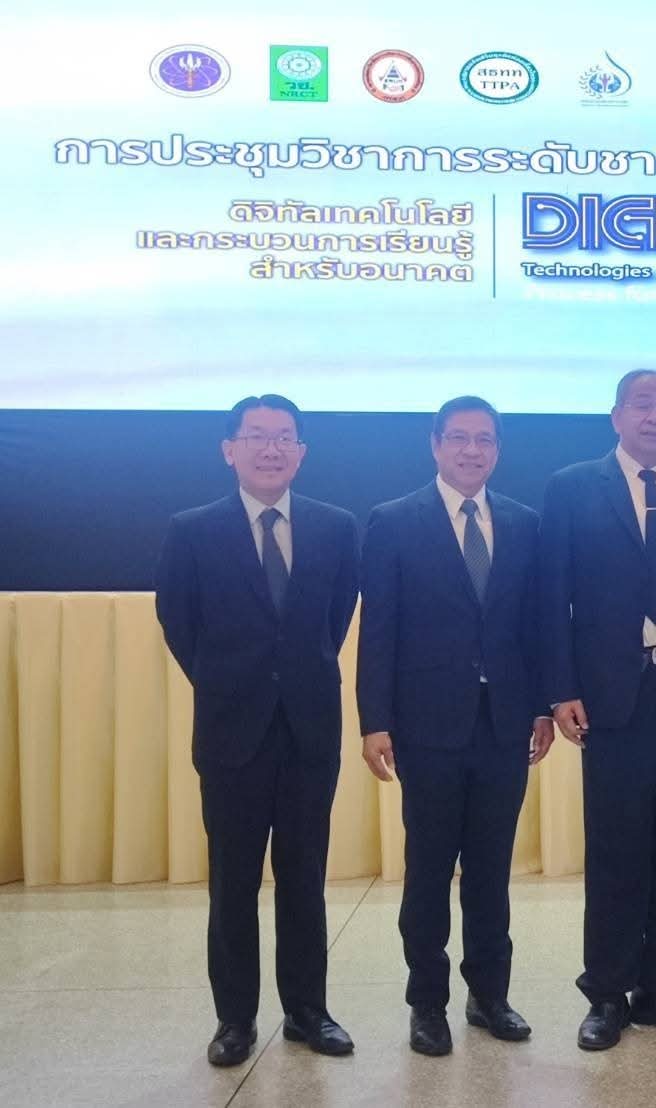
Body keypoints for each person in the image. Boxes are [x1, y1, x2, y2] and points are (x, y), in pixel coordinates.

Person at [155, 394, 358, 1067]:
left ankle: (307, 1011)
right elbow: (179, 622)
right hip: (231, 734)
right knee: (233, 883)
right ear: (229, 449)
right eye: (257, 436)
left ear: (301, 451)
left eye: (284, 437)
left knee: (304, 879)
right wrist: (229, 682)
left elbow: (335, 618)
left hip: (308, 731)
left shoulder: (335, 526)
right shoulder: (193, 529)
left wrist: (292, 677)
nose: (272, 449)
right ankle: (235, 1020)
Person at [540, 370, 656, 1051]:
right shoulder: (572, 488)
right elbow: (550, 595)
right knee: (617, 847)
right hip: (615, 691)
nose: (655, 416)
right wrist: (560, 688)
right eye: (642, 405)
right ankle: (606, 992)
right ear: (616, 415)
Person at [357, 396, 552, 1057]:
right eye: (460, 438)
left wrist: (541, 706)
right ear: (435, 444)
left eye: (485, 440)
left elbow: (535, 626)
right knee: (429, 869)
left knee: (491, 869)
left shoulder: (523, 523)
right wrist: (375, 720)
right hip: (427, 726)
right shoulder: (393, 521)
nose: (472, 451)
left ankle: (489, 996)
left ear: (498, 449)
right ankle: (427, 1003)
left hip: (503, 726)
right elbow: (379, 629)